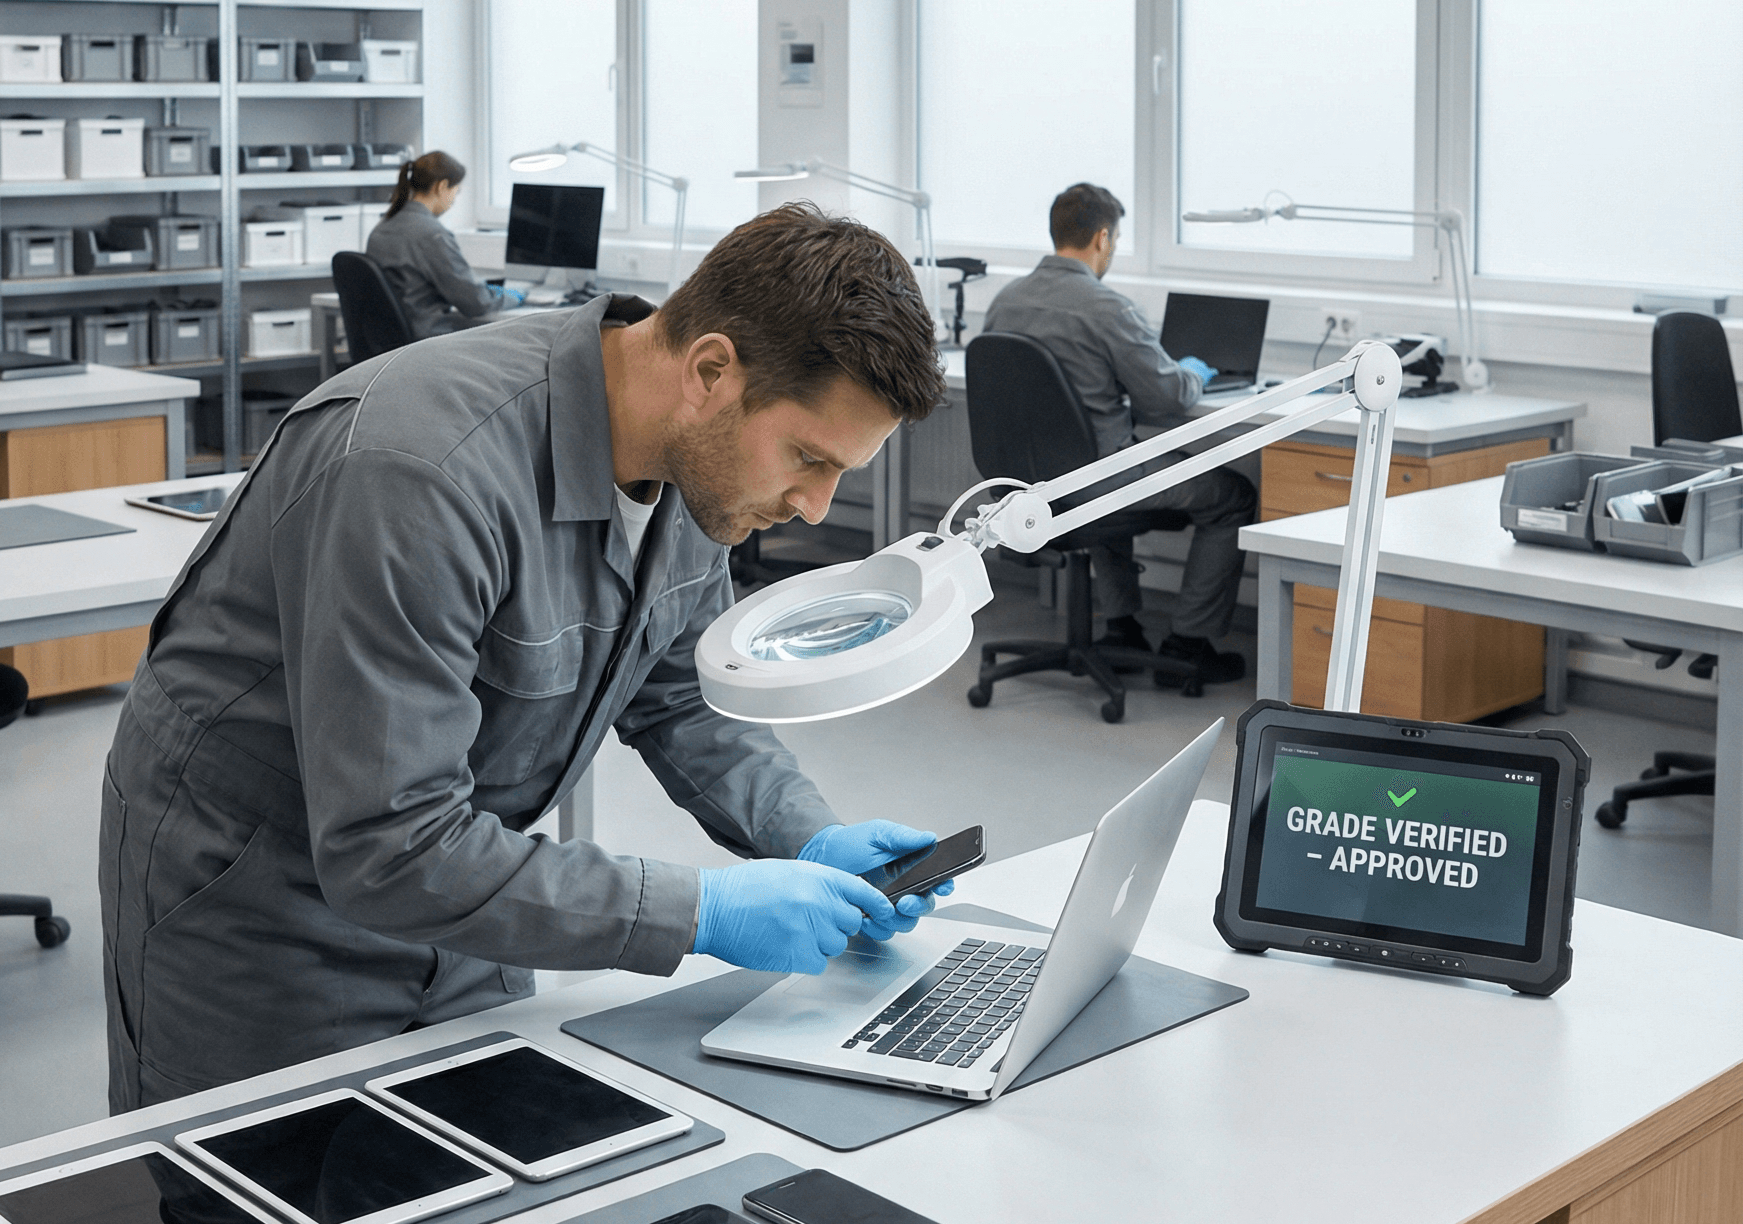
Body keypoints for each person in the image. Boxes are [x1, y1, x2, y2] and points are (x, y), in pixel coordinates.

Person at [99, 204, 950, 1110]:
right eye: (808, 458)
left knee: (481, 1190)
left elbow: (675, 697)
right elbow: (390, 845)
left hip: (470, 881)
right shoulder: (421, 474)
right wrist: (702, 910)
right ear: (710, 371)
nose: (817, 507)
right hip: (263, 908)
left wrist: (802, 833)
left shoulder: (694, 466)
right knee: (265, 1222)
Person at [982, 182, 1254, 687]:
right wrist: (1194, 370)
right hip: (1096, 483)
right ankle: (1188, 643)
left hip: (1026, 484)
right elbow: (1167, 398)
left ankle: (1124, 629)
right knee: (1234, 495)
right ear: (1103, 238)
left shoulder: (1005, 300)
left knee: (1103, 465)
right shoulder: (1106, 307)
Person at [365, 151, 515, 338]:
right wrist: (514, 297)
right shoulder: (431, 233)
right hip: (427, 336)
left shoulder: (382, 228)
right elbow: (475, 303)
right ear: (442, 186)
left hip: (395, 337)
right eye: (456, 192)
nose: (453, 201)